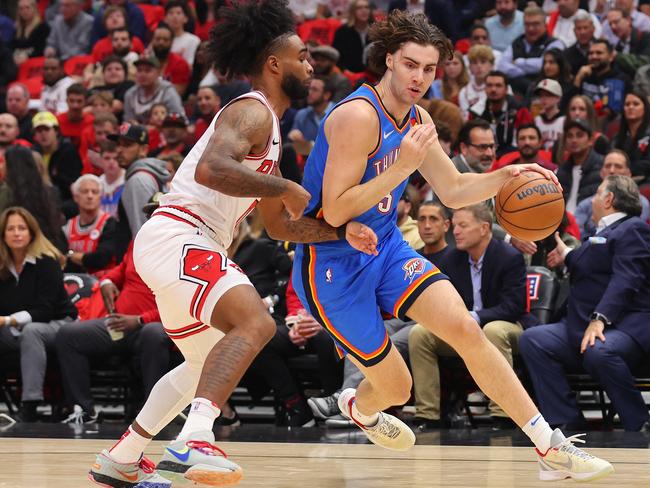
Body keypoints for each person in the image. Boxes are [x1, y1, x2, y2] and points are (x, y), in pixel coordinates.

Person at [293, 8, 612, 482]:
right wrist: (402, 166)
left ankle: (550, 448)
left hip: (384, 248)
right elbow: (336, 211)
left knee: (465, 327)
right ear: (388, 61)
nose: (420, 77)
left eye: (429, 69)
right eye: (410, 65)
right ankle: (358, 407)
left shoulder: (417, 116)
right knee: (396, 388)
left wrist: (507, 174)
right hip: (333, 266)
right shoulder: (356, 117)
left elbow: (455, 190)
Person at [89, 2, 379, 487]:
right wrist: (285, 188)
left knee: (206, 361)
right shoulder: (252, 110)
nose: (310, 66)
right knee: (255, 322)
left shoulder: (271, 133)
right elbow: (210, 170)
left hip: (179, 243)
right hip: (180, 233)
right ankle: (195, 440)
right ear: (274, 64)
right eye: (302, 56)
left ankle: (123, 456)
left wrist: (338, 232)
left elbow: (279, 227)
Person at [521, 175, 650, 432]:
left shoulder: (633, 228)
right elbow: (595, 264)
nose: (591, 200)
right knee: (533, 339)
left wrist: (599, 318)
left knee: (600, 351)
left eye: (598, 193)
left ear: (609, 199)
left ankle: (639, 422)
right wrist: (568, 255)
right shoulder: (600, 232)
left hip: (624, 326)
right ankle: (567, 420)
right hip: (580, 324)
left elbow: (626, 279)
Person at [409, 204, 537, 430]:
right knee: (420, 333)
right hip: (467, 330)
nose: (455, 231)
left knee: (493, 330)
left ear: (484, 228)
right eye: (455, 225)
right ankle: (428, 415)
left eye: (463, 226)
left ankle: (503, 413)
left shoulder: (509, 257)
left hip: (509, 327)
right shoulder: (452, 258)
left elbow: (513, 307)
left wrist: (474, 317)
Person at [0, 206, 77, 421]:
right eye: (11, 229)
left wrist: (7, 320)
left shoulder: (46, 262)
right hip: (19, 328)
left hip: (59, 324)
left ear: (32, 233)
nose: (16, 233)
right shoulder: (2, 266)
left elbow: (45, 310)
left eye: (22, 228)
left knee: (32, 332)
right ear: (3, 234)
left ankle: (30, 405)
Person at [108, 123, 168, 261]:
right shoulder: (147, 175)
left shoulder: (138, 180)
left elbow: (142, 236)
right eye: (118, 144)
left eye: (127, 145)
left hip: (142, 264)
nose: (119, 150)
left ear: (143, 149)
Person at [1, 146, 66, 251]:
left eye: (4, 162)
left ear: (11, 166)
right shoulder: (49, 192)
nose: (1, 166)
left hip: (14, 252)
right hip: (47, 248)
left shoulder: (6, 192)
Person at [575, 149, 650, 238]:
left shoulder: (641, 202)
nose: (612, 170)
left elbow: (634, 233)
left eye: (618, 166)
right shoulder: (585, 204)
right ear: (601, 173)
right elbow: (577, 235)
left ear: (629, 174)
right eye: (607, 166)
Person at [497, 5, 564, 95]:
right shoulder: (517, 42)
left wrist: (518, 63)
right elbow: (502, 65)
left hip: (543, 92)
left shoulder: (554, 44)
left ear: (545, 24)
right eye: (527, 24)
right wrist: (521, 72)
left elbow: (543, 64)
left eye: (535, 24)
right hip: (515, 92)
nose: (530, 28)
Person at [63, 174, 118, 275]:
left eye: (94, 192)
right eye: (85, 191)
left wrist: (71, 255)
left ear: (100, 197)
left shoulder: (110, 224)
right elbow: (61, 259)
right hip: (73, 282)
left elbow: (101, 258)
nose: (90, 196)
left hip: (102, 283)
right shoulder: (67, 226)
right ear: (76, 197)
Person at [31, 111, 83, 216]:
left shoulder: (68, 152)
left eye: (46, 129)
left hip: (63, 201)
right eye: (39, 130)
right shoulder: (33, 153)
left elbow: (72, 184)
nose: (43, 134)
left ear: (56, 131)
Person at [470, 71, 532, 157]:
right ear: (485, 89)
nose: (493, 89)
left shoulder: (519, 110)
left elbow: (526, 137)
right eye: (489, 85)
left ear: (506, 89)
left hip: (513, 156)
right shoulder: (476, 112)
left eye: (498, 85)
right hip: (483, 155)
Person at [557, 118, 605, 213]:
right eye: (570, 136)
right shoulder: (562, 171)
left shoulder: (603, 166)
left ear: (591, 140)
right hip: (566, 224)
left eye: (579, 135)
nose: (574, 140)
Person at [122, 55, 185, 125]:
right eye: (139, 70)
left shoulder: (168, 92)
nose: (142, 74)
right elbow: (128, 122)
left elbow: (179, 121)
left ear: (158, 73)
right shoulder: (130, 94)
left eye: (147, 71)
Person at [288, 76, 335, 157]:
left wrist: (307, 145)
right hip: (307, 162)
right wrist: (294, 136)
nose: (309, 93)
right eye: (309, 88)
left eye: (314, 89)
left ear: (326, 95)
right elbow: (296, 147)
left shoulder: (338, 114)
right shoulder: (302, 114)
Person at [613, 91, 650, 183]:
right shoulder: (617, 138)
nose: (630, 107)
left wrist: (624, 168)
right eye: (627, 104)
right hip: (620, 182)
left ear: (645, 109)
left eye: (636, 104)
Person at [332, 0, 373, 73]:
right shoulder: (343, 31)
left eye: (366, 7)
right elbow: (337, 57)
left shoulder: (376, 31)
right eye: (359, 8)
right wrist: (344, 70)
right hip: (349, 74)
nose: (364, 10)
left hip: (373, 75)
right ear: (352, 11)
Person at [164, 0, 201, 67]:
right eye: (171, 13)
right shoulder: (160, 40)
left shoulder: (193, 40)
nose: (175, 16)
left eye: (179, 13)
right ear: (165, 19)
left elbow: (191, 67)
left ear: (186, 18)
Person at [533, 79, 565, 151]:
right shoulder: (536, 120)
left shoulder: (565, 120)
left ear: (558, 98)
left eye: (548, 95)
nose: (544, 99)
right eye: (541, 95)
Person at [97, 140, 125, 218]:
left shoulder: (129, 181)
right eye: (107, 158)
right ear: (100, 159)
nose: (111, 162)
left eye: (115, 158)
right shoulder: (96, 184)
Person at [564, 10, 596, 76]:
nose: (582, 32)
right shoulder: (567, 54)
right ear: (574, 31)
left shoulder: (603, 49)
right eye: (579, 28)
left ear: (593, 29)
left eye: (585, 28)